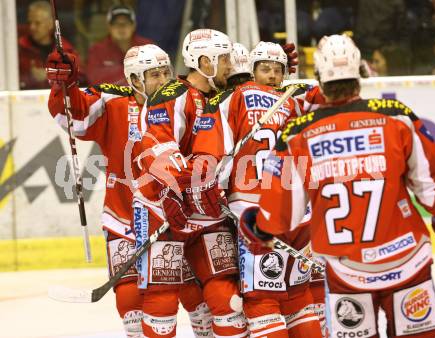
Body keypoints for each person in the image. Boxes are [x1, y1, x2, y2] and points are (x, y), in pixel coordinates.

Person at [242, 34, 435, 338]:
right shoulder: (395, 115)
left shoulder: (298, 134)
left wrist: (260, 226)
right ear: (360, 74)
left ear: (319, 78)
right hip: (407, 262)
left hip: (346, 272)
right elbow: (432, 183)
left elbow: (280, 210)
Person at [45, 44, 209, 338]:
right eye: (153, 75)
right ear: (134, 80)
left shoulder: (183, 98)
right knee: (130, 302)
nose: (163, 80)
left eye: (165, 73)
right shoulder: (112, 100)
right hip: (124, 216)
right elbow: (73, 117)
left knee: (198, 302)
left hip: (175, 216)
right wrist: (64, 84)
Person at [192, 41, 322, 338]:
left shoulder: (233, 97)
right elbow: (325, 95)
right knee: (298, 298)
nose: (274, 75)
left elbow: (209, 151)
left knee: (262, 301)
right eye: (267, 69)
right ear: (251, 70)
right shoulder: (294, 101)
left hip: (253, 215)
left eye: (278, 70)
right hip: (295, 210)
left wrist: (203, 182)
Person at [133, 29, 248, 338]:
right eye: (223, 59)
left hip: (206, 209)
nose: (229, 65)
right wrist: (178, 186)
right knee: (162, 298)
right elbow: (156, 146)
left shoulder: (223, 99)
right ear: (204, 61)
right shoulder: (172, 94)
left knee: (227, 298)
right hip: (161, 206)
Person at [18, 0, 81, 89]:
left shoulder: (66, 50)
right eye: (29, 23)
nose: (32, 27)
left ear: (50, 24)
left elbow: (81, 78)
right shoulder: (19, 49)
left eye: (37, 23)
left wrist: (51, 75)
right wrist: (31, 78)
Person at [86, 4, 153, 85]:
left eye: (126, 23)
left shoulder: (148, 47)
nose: (121, 28)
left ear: (133, 26)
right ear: (109, 27)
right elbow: (94, 79)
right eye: (116, 24)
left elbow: (158, 75)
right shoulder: (97, 50)